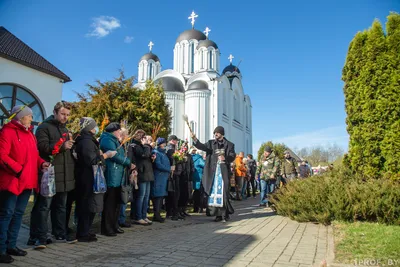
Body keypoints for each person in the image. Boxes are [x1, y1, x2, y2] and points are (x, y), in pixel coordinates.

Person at [0, 106, 49, 263]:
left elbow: (34, 155)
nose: (31, 118)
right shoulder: (7, 131)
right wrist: (18, 170)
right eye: (29, 116)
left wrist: (41, 163)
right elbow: (2, 155)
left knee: (18, 214)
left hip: (27, 181)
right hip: (12, 181)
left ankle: (11, 245)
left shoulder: (30, 135)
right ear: (21, 117)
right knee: (6, 214)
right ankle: (1, 249)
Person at [29, 101, 77, 249]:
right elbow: (42, 147)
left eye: (67, 115)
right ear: (55, 112)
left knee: (61, 207)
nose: (65, 117)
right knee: (44, 207)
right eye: (63, 114)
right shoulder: (44, 127)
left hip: (64, 175)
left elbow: (67, 153)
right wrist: (62, 147)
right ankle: (39, 236)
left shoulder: (66, 129)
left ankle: (60, 233)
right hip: (48, 174)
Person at [74, 117, 117, 242]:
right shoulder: (86, 141)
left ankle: (86, 230)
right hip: (87, 177)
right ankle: (82, 233)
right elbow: (91, 160)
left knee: (90, 205)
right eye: (94, 126)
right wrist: (106, 155)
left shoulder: (89, 140)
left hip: (89, 176)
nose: (96, 128)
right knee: (86, 205)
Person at [192, 126, 236, 222]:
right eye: (215, 132)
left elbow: (232, 155)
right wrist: (195, 140)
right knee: (214, 194)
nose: (215, 134)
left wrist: (226, 158)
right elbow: (201, 146)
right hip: (213, 173)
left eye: (217, 132)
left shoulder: (229, 144)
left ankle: (225, 214)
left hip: (223, 172)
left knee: (223, 193)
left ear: (222, 134)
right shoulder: (211, 143)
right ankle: (217, 215)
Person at [99, 122, 132, 236]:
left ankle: (114, 225)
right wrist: (127, 162)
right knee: (110, 204)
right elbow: (114, 155)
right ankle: (107, 228)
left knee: (116, 203)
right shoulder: (107, 139)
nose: (120, 133)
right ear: (114, 131)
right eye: (119, 130)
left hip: (118, 175)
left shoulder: (115, 140)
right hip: (111, 174)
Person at [129, 131, 155, 226]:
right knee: (141, 196)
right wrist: (148, 146)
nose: (142, 138)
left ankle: (144, 215)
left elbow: (147, 156)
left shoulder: (142, 146)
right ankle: (138, 216)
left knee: (146, 196)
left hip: (147, 172)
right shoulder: (134, 146)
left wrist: (152, 156)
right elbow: (143, 155)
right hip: (141, 172)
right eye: (141, 136)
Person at [151, 138, 171, 223]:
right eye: (164, 143)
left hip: (163, 178)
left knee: (161, 196)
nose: (165, 144)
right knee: (157, 196)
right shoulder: (156, 152)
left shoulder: (163, 153)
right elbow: (158, 164)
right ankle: (156, 215)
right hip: (158, 177)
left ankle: (158, 214)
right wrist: (168, 169)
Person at [165, 135, 184, 221]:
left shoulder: (173, 149)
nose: (177, 142)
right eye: (176, 141)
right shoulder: (170, 149)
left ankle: (172, 212)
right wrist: (181, 158)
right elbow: (173, 160)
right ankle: (173, 213)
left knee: (174, 194)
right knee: (174, 194)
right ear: (172, 140)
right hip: (173, 174)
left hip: (176, 173)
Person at [178, 142, 194, 217]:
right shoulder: (179, 154)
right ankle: (179, 210)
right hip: (181, 176)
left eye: (186, 147)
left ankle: (184, 209)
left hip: (187, 176)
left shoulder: (189, 156)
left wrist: (191, 172)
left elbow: (192, 165)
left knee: (186, 194)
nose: (185, 148)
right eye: (184, 147)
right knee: (181, 194)